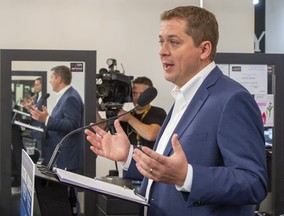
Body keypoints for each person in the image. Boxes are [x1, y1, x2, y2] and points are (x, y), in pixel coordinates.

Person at [85, 5, 268, 216]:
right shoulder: (182, 97)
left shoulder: (232, 99)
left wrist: (188, 176)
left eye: (174, 42)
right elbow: (165, 172)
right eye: (161, 41)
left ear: (204, 49)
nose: (162, 50)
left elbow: (253, 183)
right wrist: (127, 156)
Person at [30, 65, 84, 215]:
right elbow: (63, 121)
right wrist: (47, 118)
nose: (50, 82)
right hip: (61, 156)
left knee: (69, 197)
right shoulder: (66, 96)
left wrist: (47, 119)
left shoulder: (71, 97)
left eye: (52, 78)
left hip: (66, 158)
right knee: (66, 197)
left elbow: (72, 124)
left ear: (59, 79)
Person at [118, 77, 166, 180]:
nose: (138, 97)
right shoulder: (126, 115)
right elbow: (102, 127)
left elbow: (151, 135)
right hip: (129, 167)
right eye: (135, 93)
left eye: (142, 94)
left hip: (151, 168)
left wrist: (129, 118)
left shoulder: (158, 112)